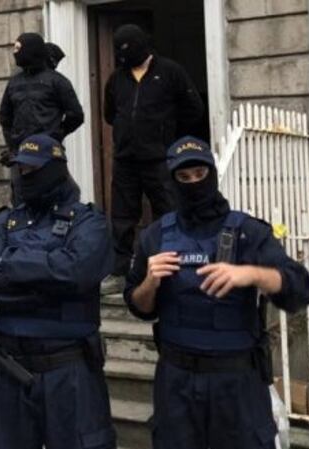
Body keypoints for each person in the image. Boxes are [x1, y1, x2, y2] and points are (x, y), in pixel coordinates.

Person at [124, 136, 309, 449]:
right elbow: (139, 306)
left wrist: (251, 273)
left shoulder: (247, 232)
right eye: (183, 178)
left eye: (200, 174)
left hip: (236, 383)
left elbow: (300, 289)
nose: (193, 183)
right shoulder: (156, 235)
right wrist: (150, 282)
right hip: (176, 385)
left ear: (212, 174)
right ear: (171, 182)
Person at [0, 134, 117, 449]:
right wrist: (51, 282)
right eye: (19, 170)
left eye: (30, 171)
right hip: (12, 368)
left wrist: (12, 264)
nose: (22, 178)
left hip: (69, 370)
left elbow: (78, 273)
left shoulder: (88, 221)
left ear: (54, 169)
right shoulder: (5, 223)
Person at [102, 24, 205, 293]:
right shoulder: (117, 78)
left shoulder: (170, 72)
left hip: (160, 158)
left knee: (168, 211)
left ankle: (170, 268)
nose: (124, 57)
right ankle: (119, 271)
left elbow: (193, 109)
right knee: (122, 216)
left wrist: (169, 138)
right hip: (125, 159)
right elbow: (110, 114)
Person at [0, 32, 83, 166]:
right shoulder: (14, 83)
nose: (15, 53)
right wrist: (13, 146)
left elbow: (76, 115)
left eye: (18, 48)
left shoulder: (57, 81)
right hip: (21, 156)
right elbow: (5, 118)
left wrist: (55, 135)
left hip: (48, 155)